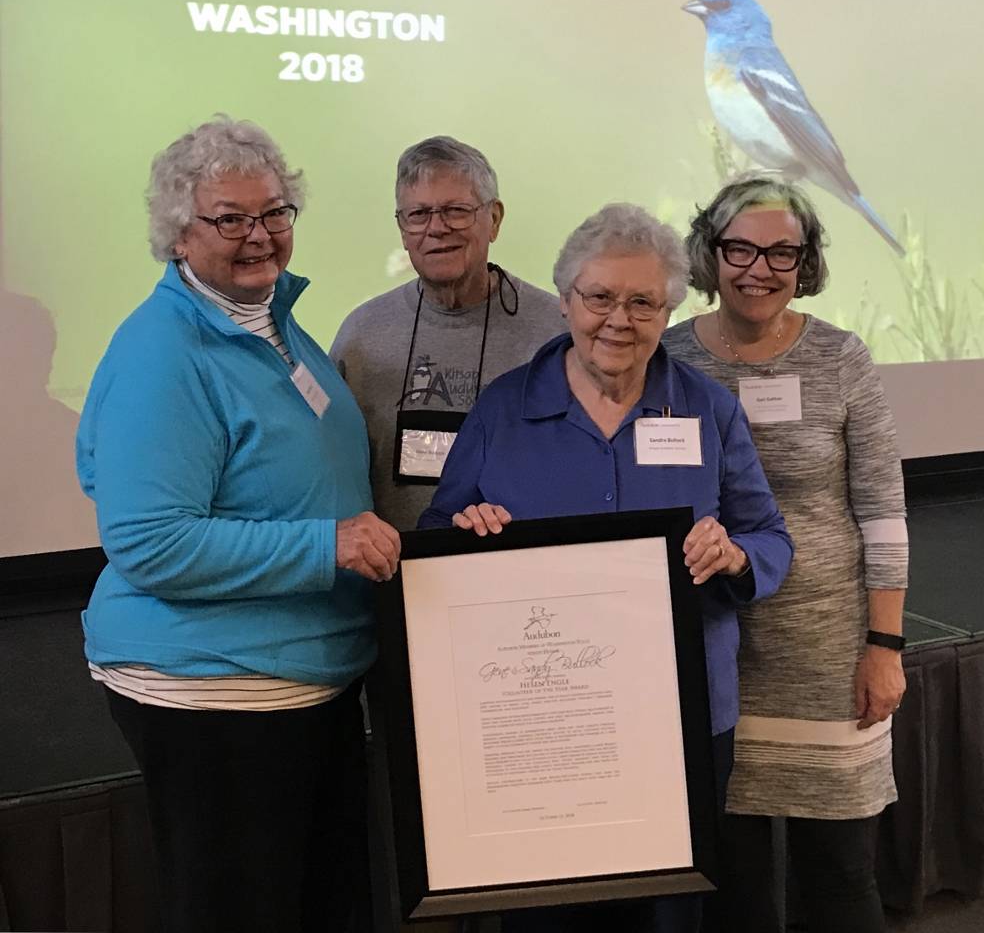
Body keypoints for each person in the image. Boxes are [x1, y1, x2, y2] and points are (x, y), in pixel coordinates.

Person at [420, 202, 794, 932]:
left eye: (643, 302)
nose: (618, 320)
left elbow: (769, 537)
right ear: (565, 301)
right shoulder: (503, 409)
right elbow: (440, 530)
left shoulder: (707, 409)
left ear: (667, 312)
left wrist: (735, 555)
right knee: (549, 907)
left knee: (670, 907)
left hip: (679, 710)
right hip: (540, 716)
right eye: (599, 299)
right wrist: (468, 530)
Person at [76, 116, 400, 933]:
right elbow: (150, 540)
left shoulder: (273, 326)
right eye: (231, 218)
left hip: (301, 684)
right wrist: (326, 544)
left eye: (276, 211)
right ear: (178, 235)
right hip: (215, 694)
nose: (260, 235)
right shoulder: (164, 350)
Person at [662, 176, 908, 933]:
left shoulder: (841, 357)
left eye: (782, 252)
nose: (759, 268)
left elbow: (882, 510)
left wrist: (884, 645)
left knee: (838, 872)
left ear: (806, 263)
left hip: (825, 654)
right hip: (710, 653)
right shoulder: (666, 357)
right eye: (740, 247)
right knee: (730, 879)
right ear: (710, 251)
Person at [330, 135, 565, 532]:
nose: (436, 229)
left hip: (520, 570)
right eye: (418, 214)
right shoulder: (361, 336)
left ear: (494, 219)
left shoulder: (554, 330)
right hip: (391, 573)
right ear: (402, 230)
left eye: (456, 211)